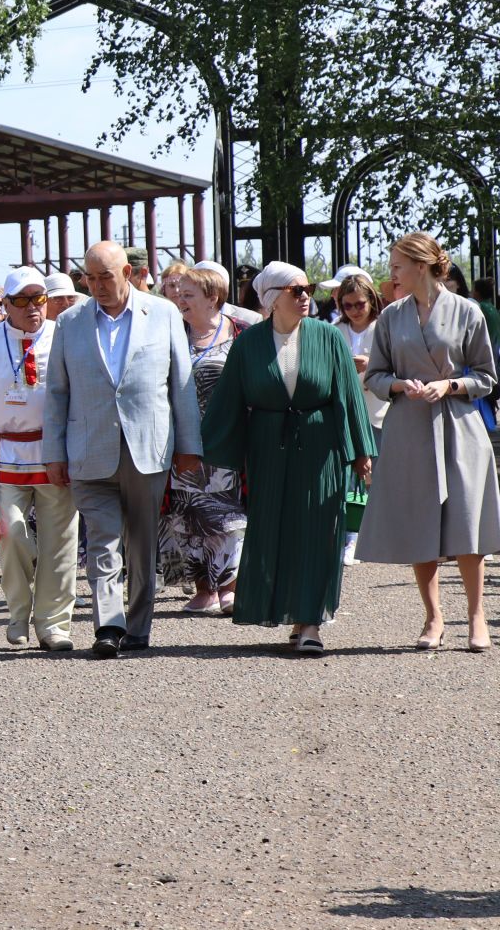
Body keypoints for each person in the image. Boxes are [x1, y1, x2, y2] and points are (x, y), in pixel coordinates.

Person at [201, 263, 375, 654]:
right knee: (276, 530)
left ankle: (310, 621)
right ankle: (287, 611)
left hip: (320, 447)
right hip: (266, 448)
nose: (304, 296)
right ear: (271, 298)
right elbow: (228, 400)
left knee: (318, 531)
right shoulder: (249, 344)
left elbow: (347, 395)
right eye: (295, 290)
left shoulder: (328, 337)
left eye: (307, 289)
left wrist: (361, 451)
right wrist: (210, 454)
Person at [44, 241, 203, 658]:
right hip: (88, 449)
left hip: (147, 447)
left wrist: (190, 447)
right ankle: (109, 627)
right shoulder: (69, 322)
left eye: (105, 277)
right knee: (102, 539)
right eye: (89, 278)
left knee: (140, 542)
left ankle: (138, 626)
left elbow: (181, 386)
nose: (96, 286)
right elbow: (57, 393)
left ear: (128, 275)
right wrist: (53, 453)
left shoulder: (164, 313)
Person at [356, 232, 500, 652]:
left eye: (397, 265)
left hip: (460, 426)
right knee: (421, 520)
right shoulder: (391, 317)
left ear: (421, 266)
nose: (391, 272)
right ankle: (433, 617)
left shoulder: (467, 312)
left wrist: (450, 384)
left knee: (467, 519)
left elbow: (486, 377)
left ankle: (477, 617)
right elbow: (375, 376)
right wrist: (400, 384)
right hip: (410, 429)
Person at [0, 269, 76, 649]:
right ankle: (19, 612)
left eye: (38, 298)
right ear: (5, 305)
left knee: (60, 541)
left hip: (56, 452)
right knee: (10, 534)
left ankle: (53, 625)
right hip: (5, 453)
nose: (32, 308)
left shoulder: (63, 337)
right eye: (21, 300)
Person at [159, 265, 250, 615]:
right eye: (178, 294)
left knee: (225, 514)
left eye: (188, 295)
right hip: (183, 440)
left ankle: (229, 585)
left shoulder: (240, 332)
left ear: (212, 298)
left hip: (226, 439)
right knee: (186, 515)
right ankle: (202, 588)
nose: (179, 300)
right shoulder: (172, 334)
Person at [333, 273, 386, 564]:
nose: (354, 310)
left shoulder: (382, 327)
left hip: (378, 409)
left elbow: (396, 364)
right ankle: (351, 537)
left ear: (371, 301)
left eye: (359, 304)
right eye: (348, 304)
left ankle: (378, 536)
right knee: (349, 477)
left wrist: (370, 365)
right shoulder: (334, 328)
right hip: (345, 410)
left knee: (379, 475)